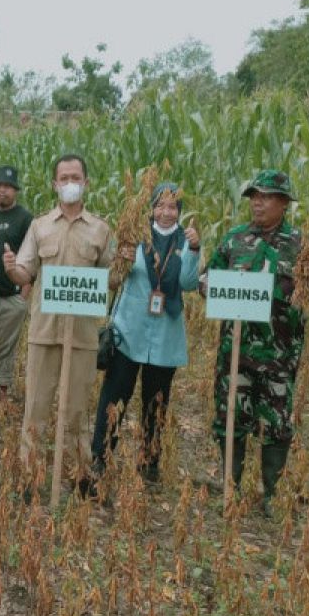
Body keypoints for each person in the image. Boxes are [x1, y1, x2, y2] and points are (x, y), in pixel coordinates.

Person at [202, 170, 309, 514]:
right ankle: (231, 488)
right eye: (254, 196)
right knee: (231, 419)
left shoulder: (301, 245)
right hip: (236, 353)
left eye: (266, 196)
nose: (258, 202)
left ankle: (273, 495)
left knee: (276, 425)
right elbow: (205, 280)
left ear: (284, 203)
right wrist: (216, 285)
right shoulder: (234, 240)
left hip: (279, 355)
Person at [3, 154, 114, 498]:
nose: (69, 182)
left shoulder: (100, 229)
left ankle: (81, 477)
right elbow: (26, 272)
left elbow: (111, 278)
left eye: (75, 177)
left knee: (76, 411)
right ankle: (30, 478)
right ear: (55, 184)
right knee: (36, 408)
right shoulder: (40, 227)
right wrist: (10, 269)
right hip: (44, 332)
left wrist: (122, 262)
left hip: (81, 336)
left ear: (85, 183)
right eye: (63, 177)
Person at [90, 183, 201, 483]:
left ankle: (149, 462)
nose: (166, 213)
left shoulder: (185, 241)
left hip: (165, 337)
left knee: (157, 403)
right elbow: (113, 280)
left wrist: (194, 249)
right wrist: (122, 258)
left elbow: (190, 284)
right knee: (115, 397)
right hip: (129, 333)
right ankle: (100, 457)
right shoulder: (134, 236)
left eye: (173, 207)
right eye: (160, 206)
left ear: (179, 211)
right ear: (151, 208)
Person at [0, 165, 34, 395]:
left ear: (15, 191)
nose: (2, 191)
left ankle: (2, 394)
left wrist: (22, 297)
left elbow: (32, 259)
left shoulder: (25, 218)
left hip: (12, 297)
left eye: (8, 187)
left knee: (6, 350)